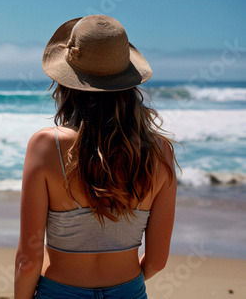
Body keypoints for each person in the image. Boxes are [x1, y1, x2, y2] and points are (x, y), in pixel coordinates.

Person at [14, 15, 179, 299]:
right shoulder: (160, 151)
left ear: (66, 83)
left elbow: (28, 261)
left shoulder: (46, 145)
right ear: (128, 82)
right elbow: (156, 262)